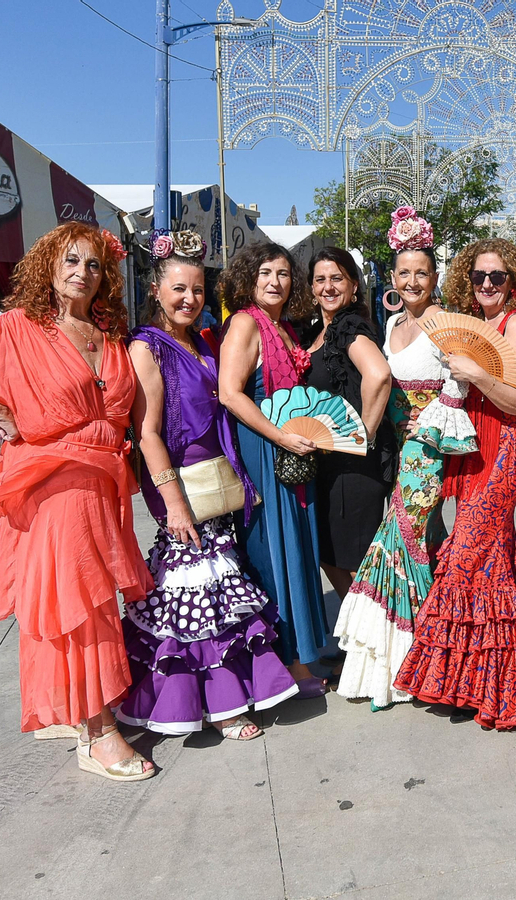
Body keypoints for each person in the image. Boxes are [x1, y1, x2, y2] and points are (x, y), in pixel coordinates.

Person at [0, 222, 156, 782]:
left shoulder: (107, 335)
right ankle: (96, 730)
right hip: (55, 486)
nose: (81, 273)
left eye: (93, 265)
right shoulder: (18, 329)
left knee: (85, 597)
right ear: (49, 265)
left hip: (103, 484)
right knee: (78, 599)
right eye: (70, 261)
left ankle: (70, 707)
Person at [115, 231, 298, 741]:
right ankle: (214, 705)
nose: (189, 299)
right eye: (178, 289)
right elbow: (147, 431)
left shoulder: (204, 339)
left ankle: (226, 698)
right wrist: (172, 504)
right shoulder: (145, 348)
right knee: (193, 596)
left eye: (196, 289)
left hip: (218, 481)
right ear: (156, 288)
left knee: (221, 595)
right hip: (183, 487)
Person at [394, 238, 516, 729]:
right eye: (479, 277)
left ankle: (503, 683)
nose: (487, 285)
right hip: (472, 448)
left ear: (513, 282)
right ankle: (470, 683)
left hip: (505, 449)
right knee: (488, 562)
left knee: (465, 553)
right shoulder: (478, 327)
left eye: (497, 277)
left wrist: (476, 373)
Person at [335, 208, 473, 709]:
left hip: (426, 450)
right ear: (392, 278)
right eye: (404, 272)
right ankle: (414, 657)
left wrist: (428, 419)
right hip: (393, 445)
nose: (412, 280)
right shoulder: (391, 322)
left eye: (422, 272)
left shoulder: (446, 324)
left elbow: (458, 386)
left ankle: (406, 658)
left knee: (402, 536)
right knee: (415, 541)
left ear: (434, 278)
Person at [218, 242, 330, 695]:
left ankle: (300, 654)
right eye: (265, 272)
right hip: (265, 446)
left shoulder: (284, 327)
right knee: (272, 549)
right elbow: (230, 392)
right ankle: (284, 663)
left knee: (295, 545)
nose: (274, 282)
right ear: (250, 277)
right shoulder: (246, 322)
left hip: (289, 446)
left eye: (283, 273)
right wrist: (281, 437)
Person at [302, 247, 396, 604]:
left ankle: (371, 647)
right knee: (330, 554)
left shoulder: (349, 326)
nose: (328, 287)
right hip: (328, 464)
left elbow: (379, 375)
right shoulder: (318, 330)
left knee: (355, 561)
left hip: (354, 465)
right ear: (310, 286)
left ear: (354, 285)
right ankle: (357, 636)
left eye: (337, 278)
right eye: (320, 279)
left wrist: (363, 436)